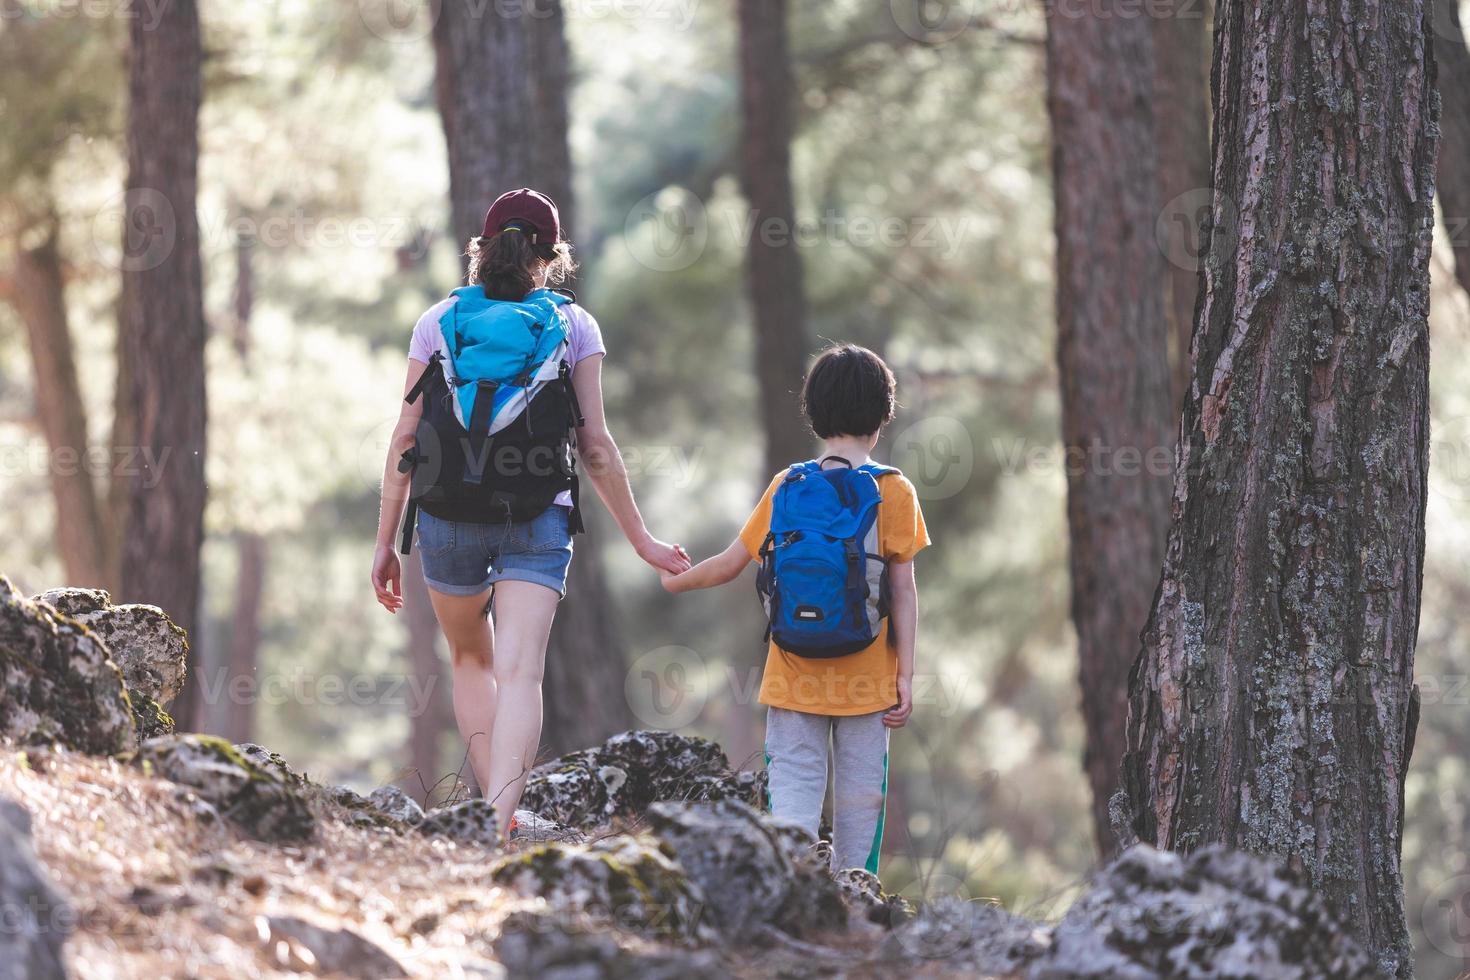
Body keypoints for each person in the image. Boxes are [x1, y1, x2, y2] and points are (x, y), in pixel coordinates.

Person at [371, 187, 690, 838]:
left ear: (481, 252)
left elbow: (405, 439)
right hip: (539, 512)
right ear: (551, 257)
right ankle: (500, 818)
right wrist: (643, 541)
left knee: (470, 660)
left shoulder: (438, 321)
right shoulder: (574, 326)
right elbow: (594, 446)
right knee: (521, 670)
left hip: (447, 512)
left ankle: (498, 816)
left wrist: (385, 543)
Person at [659, 344, 929, 873]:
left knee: (794, 798)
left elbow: (731, 563)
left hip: (793, 675)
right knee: (859, 805)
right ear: (882, 415)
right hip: (867, 681)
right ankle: (856, 903)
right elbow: (903, 592)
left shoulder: (789, 484)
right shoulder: (894, 490)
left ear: (814, 413)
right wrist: (906, 675)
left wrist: (676, 583)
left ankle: (792, 895)